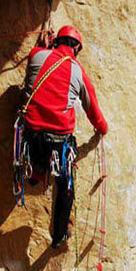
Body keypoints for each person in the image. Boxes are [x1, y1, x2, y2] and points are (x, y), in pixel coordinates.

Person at [22, 25, 108, 248]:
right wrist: (103, 128)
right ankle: (59, 235)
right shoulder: (76, 70)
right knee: (65, 185)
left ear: (56, 42)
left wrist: (46, 43)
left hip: (31, 134)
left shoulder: (36, 55)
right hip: (58, 140)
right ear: (76, 48)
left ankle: (35, 173)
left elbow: (37, 56)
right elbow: (92, 109)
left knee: (35, 143)